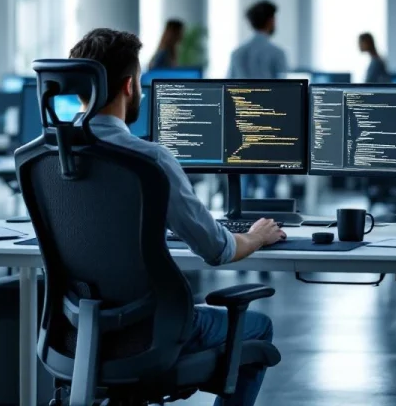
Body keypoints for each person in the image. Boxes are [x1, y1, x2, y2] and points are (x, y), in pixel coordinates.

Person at [69, 28, 285, 406]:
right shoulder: (149, 160)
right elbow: (217, 249)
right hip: (150, 329)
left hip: (72, 328)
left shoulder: (48, 156)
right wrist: (256, 236)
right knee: (257, 326)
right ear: (130, 86)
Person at [228, 0, 287, 198]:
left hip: (242, 123)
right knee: (269, 182)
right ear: (270, 21)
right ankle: (268, 222)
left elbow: (227, 88)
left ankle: (245, 221)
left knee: (244, 179)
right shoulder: (277, 53)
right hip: (268, 123)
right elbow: (284, 93)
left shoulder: (236, 54)